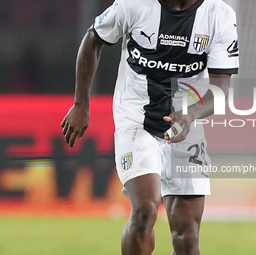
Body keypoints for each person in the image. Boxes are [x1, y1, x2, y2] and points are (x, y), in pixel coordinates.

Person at [61, 0, 239, 254]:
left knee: (187, 236)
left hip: (185, 123)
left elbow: (220, 89)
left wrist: (190, 115)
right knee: (146, 210)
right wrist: (81, 104)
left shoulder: (219, 15)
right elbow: (93, 39)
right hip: (135, 119)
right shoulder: (133, 5)